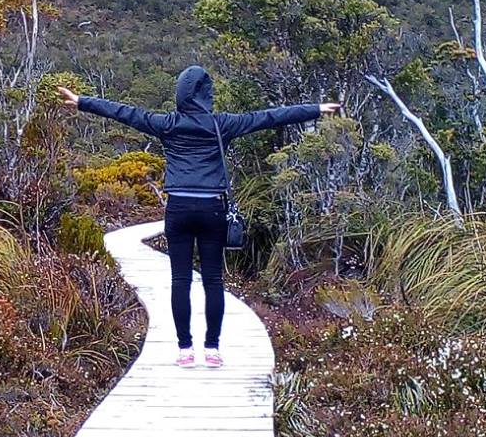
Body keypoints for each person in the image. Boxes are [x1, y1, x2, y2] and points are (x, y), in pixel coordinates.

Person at [58, 66, 338, 367]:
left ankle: (184, 350)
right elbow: (270, 116)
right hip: (212, 210)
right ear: (207, 94)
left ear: (180, 94)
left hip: (178, 208)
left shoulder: (166, 123)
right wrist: (317, 109)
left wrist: (82, 101)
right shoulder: (223, 124)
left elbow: (124, 112)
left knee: (180, 280)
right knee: (213, 280)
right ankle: (213, 349)